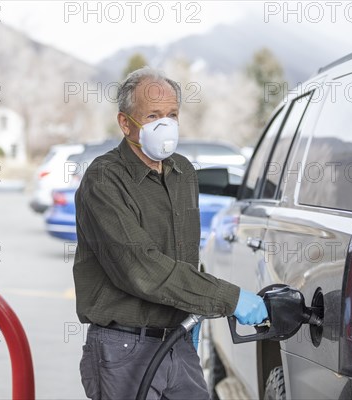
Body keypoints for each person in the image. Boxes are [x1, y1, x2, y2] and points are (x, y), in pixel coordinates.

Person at [73, 67, 267, 400]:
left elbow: (184, 256)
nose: (166, 124)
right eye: (152, 115)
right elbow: (139, 268)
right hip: (124, 348)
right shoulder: (104, 180)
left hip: (178, 340)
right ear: (125, 123)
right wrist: (228, 298)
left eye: (172, 114)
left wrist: (196, 309)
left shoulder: (183, 172)